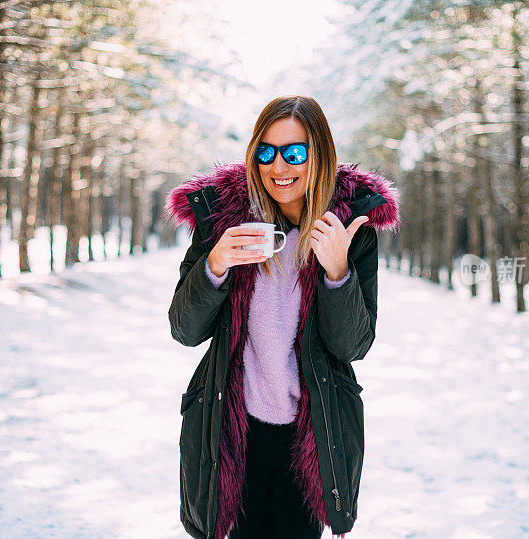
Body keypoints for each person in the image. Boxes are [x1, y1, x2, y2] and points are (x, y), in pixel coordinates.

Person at [164, 95, 400, 539]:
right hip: (233, 432)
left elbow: (353, 346)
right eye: (266, 152)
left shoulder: (351, 226)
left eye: (294, 153)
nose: (279, 167)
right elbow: (184, 329)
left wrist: (337, 272)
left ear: (320, 156)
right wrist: (213, 265)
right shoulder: (223, 218)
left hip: (310, 439)